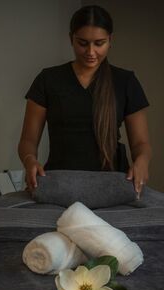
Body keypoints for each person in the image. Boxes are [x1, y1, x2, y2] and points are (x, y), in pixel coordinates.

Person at [18, 5, 151, 198]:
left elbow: (141, 143)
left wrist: (142, 161)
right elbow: (28, 140)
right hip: (59, 183)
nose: (91, 51)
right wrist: (30, 160)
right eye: (82, 43)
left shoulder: (125, 81)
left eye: (99, 43)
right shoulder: (48, 80)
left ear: (110, 40)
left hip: (113, 184)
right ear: (70, 38)